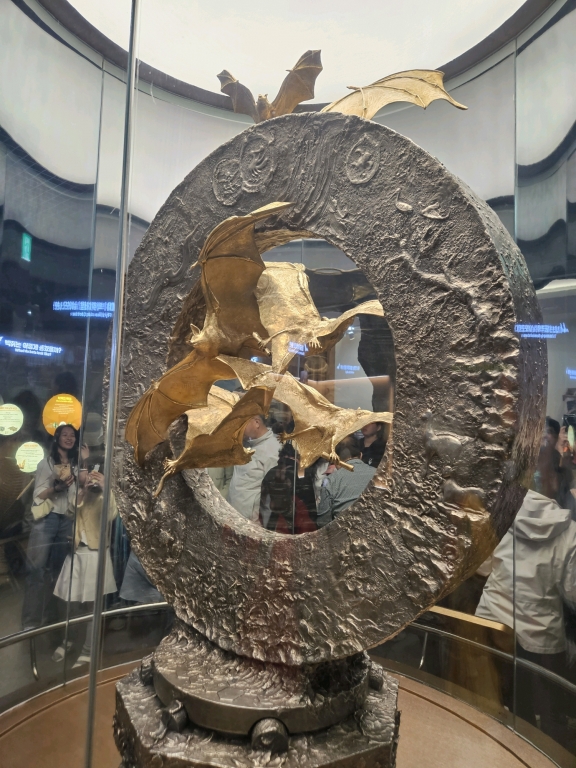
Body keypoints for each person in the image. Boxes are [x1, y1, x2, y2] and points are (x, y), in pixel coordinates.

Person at [21, 424, 88, 629]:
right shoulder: (46, 464)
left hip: (67, 519)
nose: (69, 438)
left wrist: (84, 460)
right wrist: (55, 488)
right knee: (37, 570)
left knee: (59, 572)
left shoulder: (75, 465)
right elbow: (38, 495)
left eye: (72, 435)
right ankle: (31, 623)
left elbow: (83, 486)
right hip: (47, 519)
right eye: (64, 434)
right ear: (57, 438)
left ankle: (52, 619)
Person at [52, 467, 118, 667]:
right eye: (84, 471)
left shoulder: (105, 496)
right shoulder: (79, 493)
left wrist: (105, 487)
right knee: (69, 602)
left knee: (92, 606)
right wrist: (83, 493)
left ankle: (88, 649)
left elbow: (111, 515)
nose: (89, 475)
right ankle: (69, 638)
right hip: (76, 554)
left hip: (95, 555)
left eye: (92, 472)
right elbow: (70, 512)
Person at [228, 414, 280, 523]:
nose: (239, 428)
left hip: (252, 522)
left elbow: (273, 494)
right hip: (234, 516)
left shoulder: (273, 450)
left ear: (256, 423)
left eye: (243, 424)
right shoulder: (245, 444)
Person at [316, 442, 376, 528]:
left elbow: (323, 522)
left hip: (344, 532)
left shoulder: (330, 481)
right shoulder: (379, 474)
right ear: (361, 455)